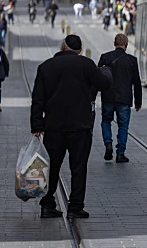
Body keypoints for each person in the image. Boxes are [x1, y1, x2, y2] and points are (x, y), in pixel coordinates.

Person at [31, 35, 112, 219]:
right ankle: (75, 207)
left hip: (54, 126)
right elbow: (104, 83)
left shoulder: (45, 67)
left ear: (62, 46)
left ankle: (47, 204)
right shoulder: (86, 65)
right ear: (80, 50)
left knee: (51, 167)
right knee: (78, 167)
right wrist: (106, 71)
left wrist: (36, 125)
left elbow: (38, 99)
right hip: (80, 127)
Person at [98, 34, 143, 163]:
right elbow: (137, 82)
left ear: (114, 43)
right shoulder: (132, 60)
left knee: (106, 121)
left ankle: (108, 142)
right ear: (126, 45)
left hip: (108, 97)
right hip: (124, 98)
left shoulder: (105, 57)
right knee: (123, 126)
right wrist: (138, 102)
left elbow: (97, 77)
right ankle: (120, 153)